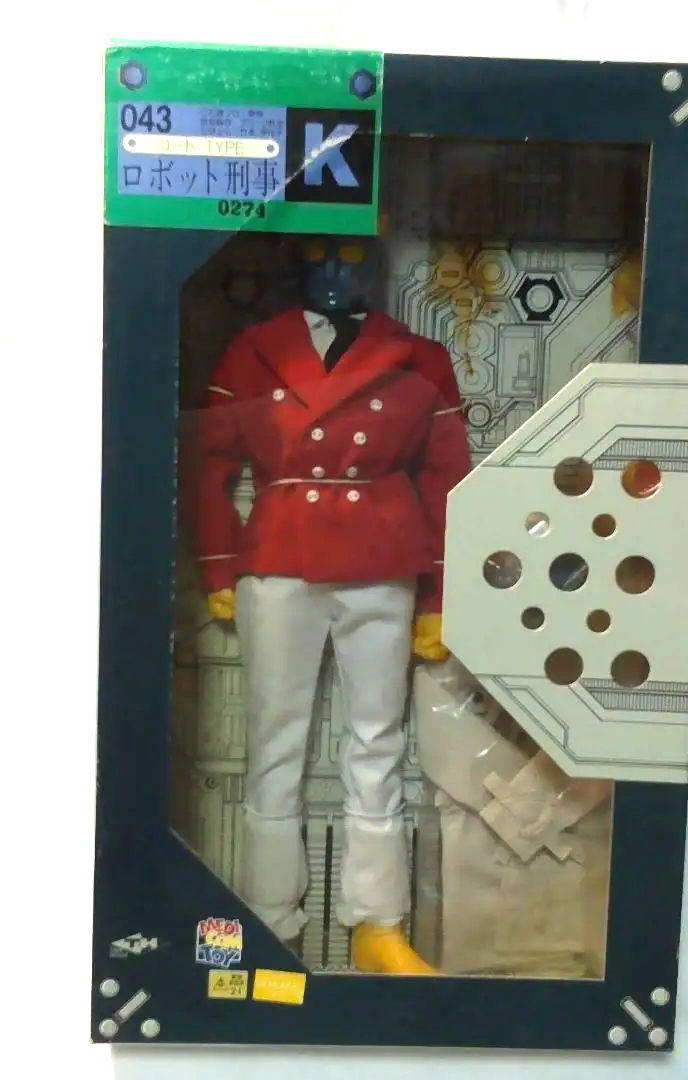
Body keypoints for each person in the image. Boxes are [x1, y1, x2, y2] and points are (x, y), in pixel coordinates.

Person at [191, 237, 470, 974]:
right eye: (319, 254)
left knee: (378, 744)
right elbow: (208, 464)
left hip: (382, 557)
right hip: (280, 557)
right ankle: (266, 919)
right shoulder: (253, 351)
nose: (336, 270)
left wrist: (439, 594)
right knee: (273, 745)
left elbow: (447, 478)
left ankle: (378, 923)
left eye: (350, 253)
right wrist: (218, 561)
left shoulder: (418, 357)